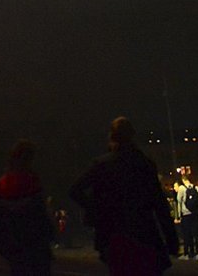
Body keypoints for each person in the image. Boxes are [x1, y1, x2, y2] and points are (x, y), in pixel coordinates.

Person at [69, 117, 178, 275]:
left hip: (114, 234)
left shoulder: (102, 165)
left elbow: (75, 190)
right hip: (144, 233)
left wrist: (96, 210)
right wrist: (170, 237)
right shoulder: (144, 164)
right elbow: (158, 203)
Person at [0, 139, 54, 275]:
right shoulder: (32, 181)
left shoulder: (3, 182)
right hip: (33, 238)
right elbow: (39, 210)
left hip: (13, 239)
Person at [174, 173, 198, 260]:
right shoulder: (196, 187)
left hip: (186, 214)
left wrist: (178, 216)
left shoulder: (182, 188)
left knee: (187, 234)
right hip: (195, 213)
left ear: (183, 180)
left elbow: (179, 201)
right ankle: (197, 254)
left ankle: (188, 253)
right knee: (196, 234)